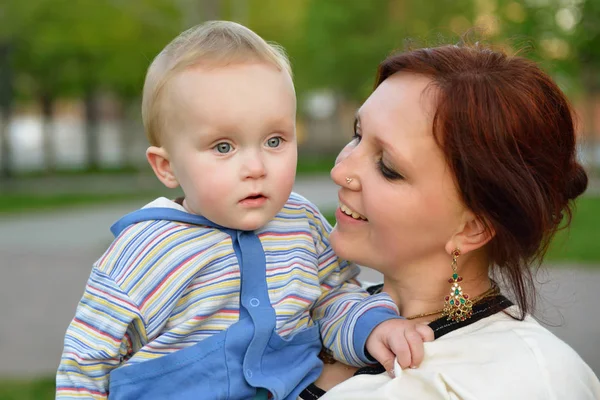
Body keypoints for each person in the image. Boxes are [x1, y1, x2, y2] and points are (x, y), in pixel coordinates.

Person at [56, 21, 433, 400]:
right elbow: (86, 361)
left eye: (274, 141)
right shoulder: (143, 250)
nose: (256, 167)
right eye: (223, 147)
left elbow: (331, 299)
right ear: (166, 167)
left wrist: (371, 329)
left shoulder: (300, 223)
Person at [298, 43, 600, 399]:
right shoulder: (306, 303)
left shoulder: (526, 382)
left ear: (472, 227)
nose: (339, 170)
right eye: (357, 134)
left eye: (388, 168)